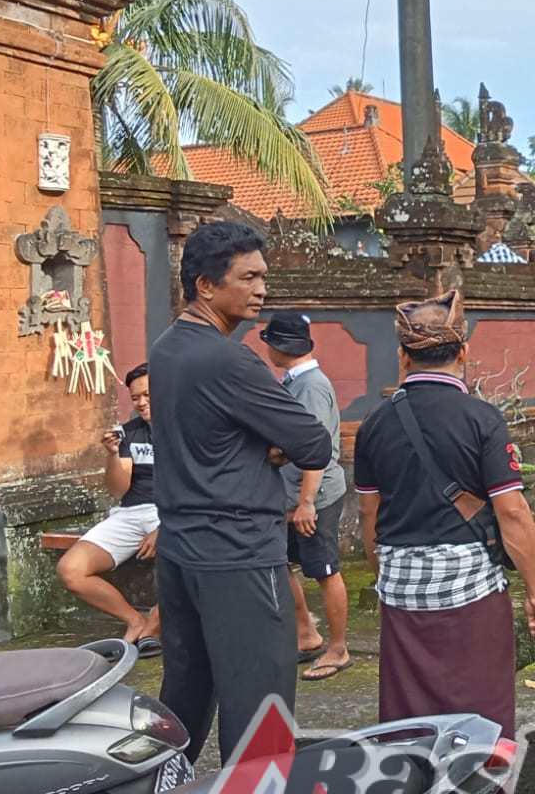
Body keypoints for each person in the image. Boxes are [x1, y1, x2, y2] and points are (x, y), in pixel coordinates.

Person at [353, 290, 535, 794]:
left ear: (402, 358)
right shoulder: (482, 419)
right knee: (482, 702)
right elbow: (512, 513)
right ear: (463, 352)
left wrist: (386, 573)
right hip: (470, 585)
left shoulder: (374, 426)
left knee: (407, 702)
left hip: (402, 582)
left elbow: (370, 517)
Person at [148, 221, 334, 765]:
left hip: (181, 546)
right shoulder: (230, 359)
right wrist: (269, 444)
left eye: (263, 277)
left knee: (187, 685)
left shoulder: (166, 348)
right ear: (206, 285)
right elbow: (314, 443)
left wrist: (259, 441)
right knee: (261, 694)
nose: (261, 290)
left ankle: (156, 793)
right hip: (238, 550)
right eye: (248, 277)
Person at [258, 311, 352, 683]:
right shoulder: (293, 382)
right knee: (281, 561)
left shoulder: (311, 385)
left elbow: (315, 448)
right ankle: (305, 633)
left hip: (313, 494)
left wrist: (307, 502)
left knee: (325, 571)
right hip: (290, 494)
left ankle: (339, 647)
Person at [56, 363, 162, 653]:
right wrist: (114, 455)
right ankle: (134, 621)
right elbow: (118, 490)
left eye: (148, 395)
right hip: (131, 512)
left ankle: (157, 624)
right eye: (136, 398)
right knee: (71, 569)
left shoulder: (189, 428)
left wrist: (167, 526)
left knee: (184, 555)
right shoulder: (130, 433)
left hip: (175, 511)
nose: (141, 403)